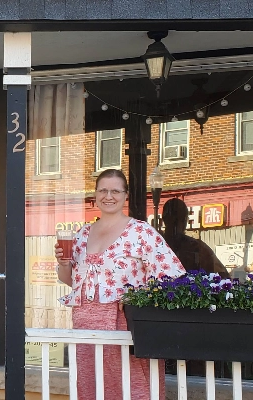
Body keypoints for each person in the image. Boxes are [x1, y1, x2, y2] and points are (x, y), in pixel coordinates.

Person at [55, 168, 185, 400]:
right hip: (85, 327)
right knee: (91, 389)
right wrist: (64, 263)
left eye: (115, 190)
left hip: (125, 325)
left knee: (131, 389)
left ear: (125, 196)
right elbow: (71, 280)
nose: (108, 196)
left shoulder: (141, 232)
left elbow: (173, 277)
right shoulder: (82, 234)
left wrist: (139, 298)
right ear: (95, 195)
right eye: (103, 190)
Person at [160, 198, 231, 278]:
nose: (175, 225)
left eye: (177, 220)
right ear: (185, 221)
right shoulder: (197, 247)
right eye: (174, 220)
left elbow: (222, 276)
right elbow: (223, 276)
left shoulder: (197, 248)